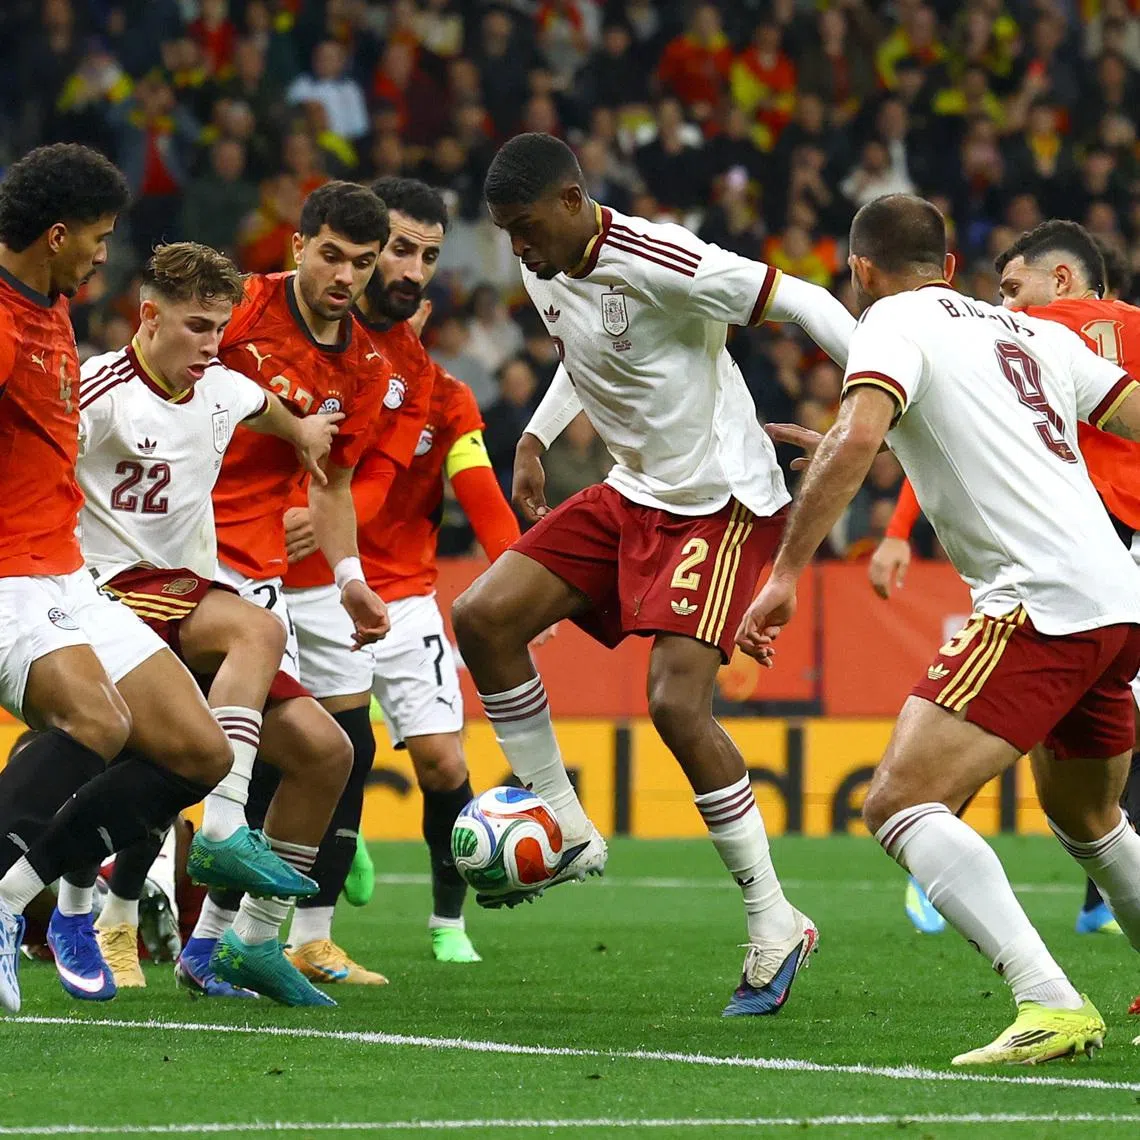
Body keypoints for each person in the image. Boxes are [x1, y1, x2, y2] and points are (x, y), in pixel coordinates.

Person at [453, 133, 855, 1015]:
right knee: (481, 617)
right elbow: (587, 351)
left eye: (526, 227)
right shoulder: (543, 260)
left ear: (572, 201)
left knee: (675, 704)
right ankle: (564, 822)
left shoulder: (666, 259)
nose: (518, 248)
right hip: (632, 491)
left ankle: (775, 920)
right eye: (506, 232)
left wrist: (876, 405)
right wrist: (535, 436)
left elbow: (808, 301)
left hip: (720, 499)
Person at [737, 194, 1140, 1064]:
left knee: (898, 802)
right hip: (1118, 600)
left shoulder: (888, 321)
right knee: (1089, 816)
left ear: (861, 271)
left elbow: (857, 440)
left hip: (1038, 600)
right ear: (951, 268)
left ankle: (1049, 998)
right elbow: (1125, 415)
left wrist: (785, 574)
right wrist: (863, 441)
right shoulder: (1027, 331)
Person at [0, 144, 266, 1015]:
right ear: (56, 235)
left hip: (67, 576)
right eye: (99, 237)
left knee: (199, 752)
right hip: (10, 577)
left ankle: (20, 899)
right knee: (95, 721)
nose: (103, 255)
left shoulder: (51, 304)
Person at [68, 241, 355, 1006]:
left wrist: (307, 435)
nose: (211, 344)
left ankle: (242, 945)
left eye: (220, 328)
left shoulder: (222, 388)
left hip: (190, 600)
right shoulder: (98, 393)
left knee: (327, 752)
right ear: (148, 316)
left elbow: (270, 410)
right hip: (110, 597)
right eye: (197, 326)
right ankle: (218, 831)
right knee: (256, 631)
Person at [872, 223, 1140, 942]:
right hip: (1108, 565)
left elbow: (942, 423)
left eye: (1014, 287)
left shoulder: (1024, 332)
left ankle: (936, 845)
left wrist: (897, 529)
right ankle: (1089, 894)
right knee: (1090, 768)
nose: (1003, 304)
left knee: (992, 741)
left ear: (1062, 279)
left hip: (1070, 555)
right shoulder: (1121, 331)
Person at [188, 180, 395, 998]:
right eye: (332, 256)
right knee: (147, 755)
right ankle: (76, 909)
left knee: (323, 754)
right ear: (299, 245)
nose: (345, 276)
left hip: (260, 578)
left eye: (362, 263)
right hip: (178, 558)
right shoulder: (239, 307)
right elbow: (174, 380)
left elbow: (333, 486)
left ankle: (232, 945)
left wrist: (350, 579)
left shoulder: (367, 367)